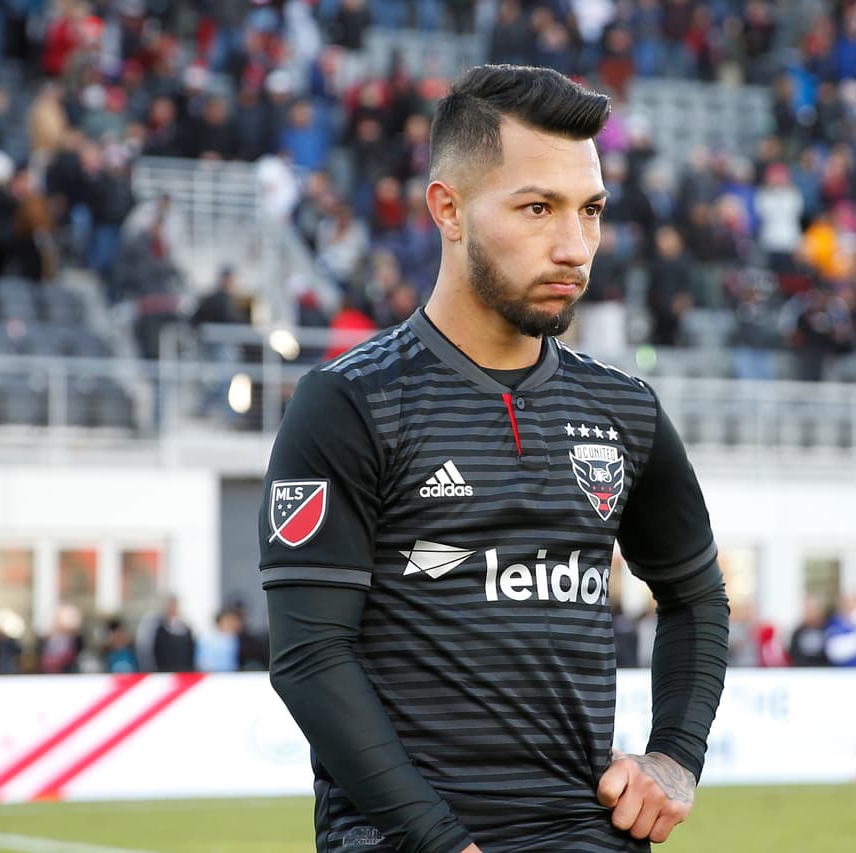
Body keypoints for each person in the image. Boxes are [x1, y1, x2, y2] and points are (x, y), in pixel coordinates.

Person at [260, 65, 730, 853]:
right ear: (447, 208)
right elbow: (311, 655)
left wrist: (675, 760)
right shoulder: (349, 402)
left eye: (591, 211)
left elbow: (696, 598)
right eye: (538, 208)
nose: (574, 246)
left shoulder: (623, 410)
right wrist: (441, 841)